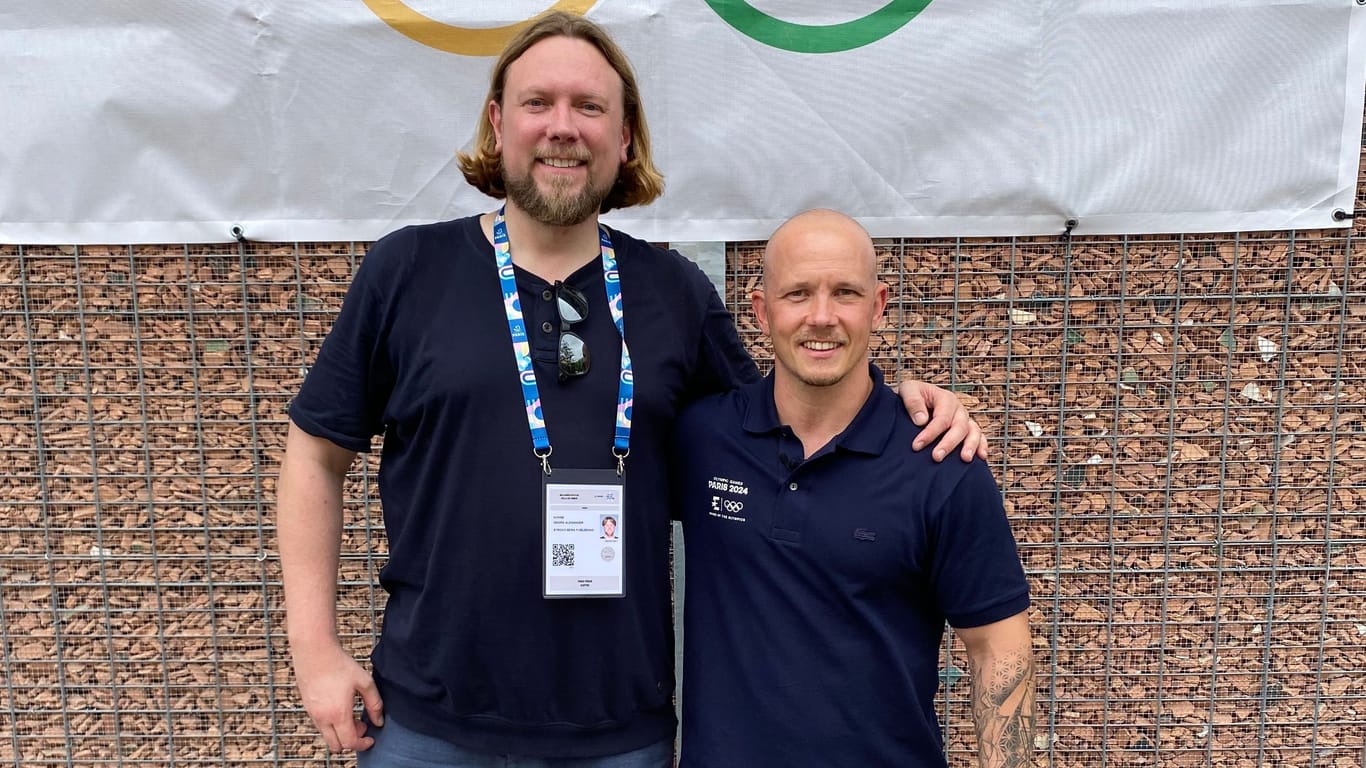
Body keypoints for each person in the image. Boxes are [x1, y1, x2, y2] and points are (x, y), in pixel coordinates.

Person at [276, 12, 987, 766]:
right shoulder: (407, 271)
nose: (562, 127)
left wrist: (906, 398)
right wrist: (314, 649)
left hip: (621, 738)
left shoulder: (672, 292)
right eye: (537, 103)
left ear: (624, 138)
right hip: (429, 725)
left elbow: (785, 427)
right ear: (497, 123)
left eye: (589, 108)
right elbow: (314, 458)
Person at [674, 209, 1034, 767]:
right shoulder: (702, 438)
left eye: (845, 292)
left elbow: (997, 648)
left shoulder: (941, 461)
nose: (822, 317)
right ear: (761, 311)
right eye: (797, 294)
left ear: (879, 305)